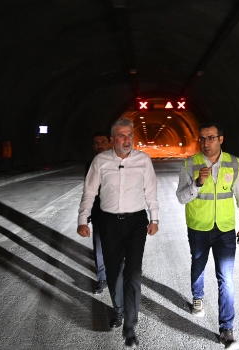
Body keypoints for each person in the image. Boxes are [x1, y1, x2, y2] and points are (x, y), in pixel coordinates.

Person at [77, 118, 159, 348]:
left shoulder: (143, 160)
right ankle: (119, 310)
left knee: (133, 274)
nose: (126, 140)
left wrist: (155, 218)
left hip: (135, 223)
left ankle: (130, 327)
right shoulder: (100, 161)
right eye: (121, 136)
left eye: (129, 135)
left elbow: (151, 191)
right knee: (114, 273)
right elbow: (89, 191)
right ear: (113, 139)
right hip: (109, 222)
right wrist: (82, 219)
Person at [175, 122, 239, 350]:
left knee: (226, 278)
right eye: (202, 139)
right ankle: (197, 296)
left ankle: (226, 329)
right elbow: (181, 198)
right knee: (198, 265)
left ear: (221, 139)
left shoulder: (233, 163)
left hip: (225, 229)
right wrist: (198, 183)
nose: (206, 143)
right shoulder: (190, 164)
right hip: (199, 227)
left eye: (211, 138)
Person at [84, 131, 114, 295]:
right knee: (99, 247)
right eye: (96, 142)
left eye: (103, 141)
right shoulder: (90, 165)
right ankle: (102, 278)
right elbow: (88, 191)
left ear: (110, 143)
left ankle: (119, 274)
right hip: (99, 213)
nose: (99, 145)